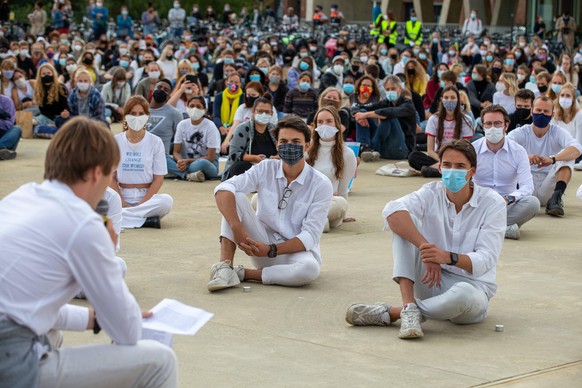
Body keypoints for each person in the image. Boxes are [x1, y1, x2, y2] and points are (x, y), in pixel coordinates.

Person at [0, 116, 177, 387]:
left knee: (51, 336)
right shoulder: (83, 222)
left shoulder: (23, 196)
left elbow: (25, 308)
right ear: (97, 173)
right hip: (8, 355)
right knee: (159, 360)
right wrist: (104, 249)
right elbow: (127, 333)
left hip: (11, 333)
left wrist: (93, 319)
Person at [346, 139, 506, 339]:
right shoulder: (431, 192)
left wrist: (447, 257)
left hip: (472, 291)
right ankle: (409, 305)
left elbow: (486, 259)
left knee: (464, 293)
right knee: (403, 222)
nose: (452, 171)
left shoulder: (492, 203)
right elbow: (392, 210)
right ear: (439, 167)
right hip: (432, 278)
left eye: (460, 166)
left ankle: (394, 313)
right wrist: (425, 248)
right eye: (447, 165)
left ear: (472, 171)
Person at [207, 116, 333, 291]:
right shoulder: (265, 168)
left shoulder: (320, 183)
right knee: (233, 195)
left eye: (296, 141)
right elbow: (223, 188)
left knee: (310, 269)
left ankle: (244, 273)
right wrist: (238, 228)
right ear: (277, 146)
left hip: (291, 253)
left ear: (307, 145)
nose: (289, 145)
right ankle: (225, 267)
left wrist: (271, 250)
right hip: (257, 243)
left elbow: (310, 236)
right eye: (284, 141)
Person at [472, 105, 540, 240]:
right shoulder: (473, 149)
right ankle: (503, 229)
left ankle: (480, 228)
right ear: (483, 126)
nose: (492, 128)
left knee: (533, 203)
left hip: (506, 204)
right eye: (488, 124)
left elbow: (527, 186)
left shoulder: (518, 151)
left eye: (497, 123)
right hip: (478, 204)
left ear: (506, 126)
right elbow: (466, 180)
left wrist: (509, 198)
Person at [507, 96, 582, 216]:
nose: (541, 114)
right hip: (525, 184)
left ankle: (556, 198)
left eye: (546, 111)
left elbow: (577, 148)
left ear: (552, 115)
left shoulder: (557, 131)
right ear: (531, 112)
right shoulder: (521, 132)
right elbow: (505, 148)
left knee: (568, 157)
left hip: (548, 187)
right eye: (538, 110)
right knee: (509, 157)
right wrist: (526, 157)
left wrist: (552, 159)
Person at [111, 96, 173, 229]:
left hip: (147, 197)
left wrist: (142, 203)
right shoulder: (116, 141)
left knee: (166, 201)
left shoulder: (155, 142)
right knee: (98, 200)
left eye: (141, 114)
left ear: (147, 116)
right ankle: (145, 221)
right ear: (126, 115)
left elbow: (158, 178)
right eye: (133, 113)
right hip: (121, 194)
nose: (137, 117)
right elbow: (111, 177)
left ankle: (121, 217)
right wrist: (121, 201)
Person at [307, 107, 357, 230]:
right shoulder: (306, 150)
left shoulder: (348, 154)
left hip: (329, 202)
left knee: (340, 203)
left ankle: (314, 220)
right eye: (320, 122)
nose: (324, 125)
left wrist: (343, 213)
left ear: (337, 124)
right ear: (315, 125)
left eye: (329, 121)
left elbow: (343, 188)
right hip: (306, 200)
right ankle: (317, 220)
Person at [408, 86, 473, 177]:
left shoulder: (466, 120)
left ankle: (437, 170)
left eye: (453, 97)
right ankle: (445, 169)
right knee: (413, 156)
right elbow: (430, 151)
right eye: (446, 97)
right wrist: (443, 161)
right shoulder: (434, 119)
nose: (449, 100)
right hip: (438, 156)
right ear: (441, 99)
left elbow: (466, 148)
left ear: (458, 100)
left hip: (458, 156)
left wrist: (452, 160)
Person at [353, 75, 416, 161]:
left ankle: (373, 148)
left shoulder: (408, 104)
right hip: (385, 147)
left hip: (402, 149)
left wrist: (365, 115)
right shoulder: (386, 102)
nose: (390, 91)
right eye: (387, 89)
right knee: (362, 111)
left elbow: (390, 112)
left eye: (393, 89)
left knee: (388, 116)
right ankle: (364, 148)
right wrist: (357, 113)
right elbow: (358, 107)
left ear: (400, 89)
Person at [222, 97, 278, 180]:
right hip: (249, 167)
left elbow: (282, 150)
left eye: (267, 112)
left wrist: (277, 157)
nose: (263, 114)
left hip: (269, 167)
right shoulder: (242, 128)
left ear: (272, 113)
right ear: (253, 111)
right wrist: (254, 158)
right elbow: (234, 154)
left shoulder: (275, 130)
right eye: (260, 111)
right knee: (239, 167)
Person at [169, 95, 220, 182]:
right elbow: (176, 152)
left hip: (207, 163)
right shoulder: (182, 124)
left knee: (201, 164)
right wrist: (180, 161)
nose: (194, 109)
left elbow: (211, 157)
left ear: (204, 110)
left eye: (198, 107)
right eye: (192, 106)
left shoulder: (210, 126)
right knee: (164, 158)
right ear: (187, 107)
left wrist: (187, 161)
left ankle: (177, 171)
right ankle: (187, 175)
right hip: (185, 162)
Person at [147, 79, 184, 167]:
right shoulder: (140, 110)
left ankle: (185, 174)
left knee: (160, 159)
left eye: (166, 90)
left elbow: (181, 138)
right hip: (141, 153)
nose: (162, 90)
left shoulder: (175, 113)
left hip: (162, 155)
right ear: (153, 90)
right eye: (159, 87)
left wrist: (180, 159)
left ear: (168, 96)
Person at [550, 83, 582, 167]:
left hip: (576, 152)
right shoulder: (555, 115)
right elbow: (552, 139)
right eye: (562, 95)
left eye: (568, 96)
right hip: (559, 153)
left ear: (573, 99)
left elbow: (579, 142)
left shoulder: (579, 115)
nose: (564, 98)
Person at [0, 94, 20, 161]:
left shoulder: (6, 101)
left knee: (16, 129)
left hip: (3, 134)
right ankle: (3, 152)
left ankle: (2, 148)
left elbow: (9, 123)